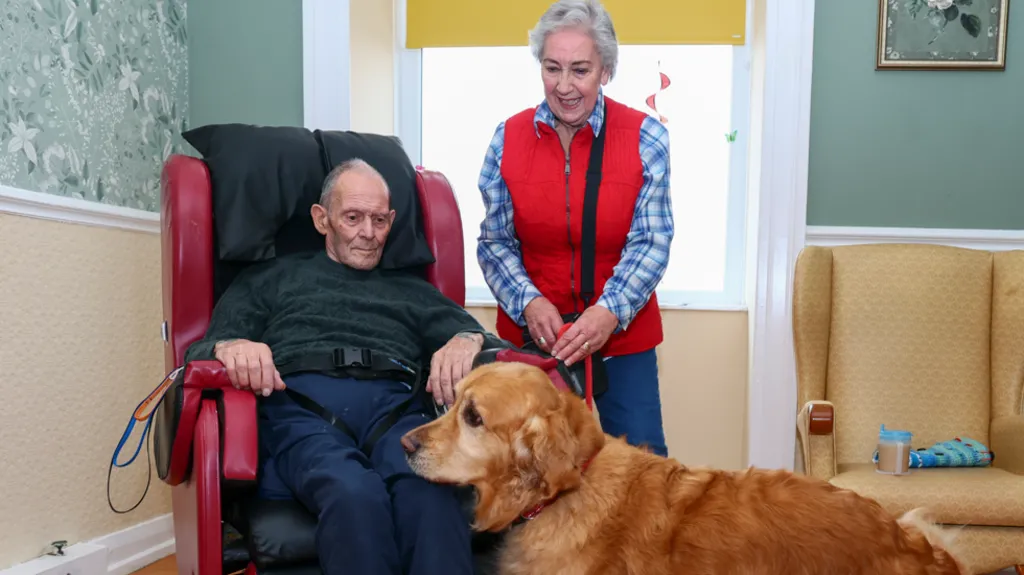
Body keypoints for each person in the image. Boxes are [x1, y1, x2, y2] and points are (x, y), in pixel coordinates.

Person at [184, 159, 500, 575]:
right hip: (303, 409)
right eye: (353, 218)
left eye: (379, 220)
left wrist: (467, 339)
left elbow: (493, 344)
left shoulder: (413, 291)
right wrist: (233, 346)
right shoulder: (271, 279)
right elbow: (199, 351)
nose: (368, 233)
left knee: (432, 494)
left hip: (396, 411)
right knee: (353, 493)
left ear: (391, 221)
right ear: (322, 219)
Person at [477, 0, 673, 457]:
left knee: (642, 472)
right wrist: (528, 302)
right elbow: (495, 242)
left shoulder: (647, 137)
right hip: (534, 338)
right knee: (529, 469)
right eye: (552, 68)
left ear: (606, 70)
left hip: (621, 337)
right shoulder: (506, 139)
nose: (564, 86)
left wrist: (608, 312)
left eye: (580, 70)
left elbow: (651, 242)